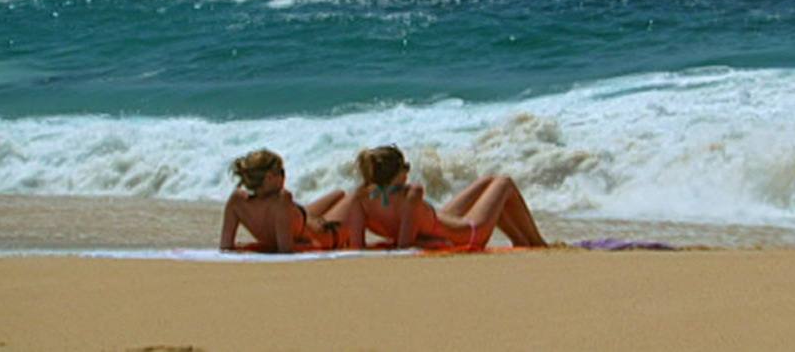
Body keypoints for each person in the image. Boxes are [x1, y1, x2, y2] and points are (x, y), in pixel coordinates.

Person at [347, 145, 548, 250]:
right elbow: (405, 245)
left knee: (487, 181)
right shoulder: (411, 195)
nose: (408, 172)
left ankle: (521, 240)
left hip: (441, 222)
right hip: (468, 235)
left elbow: (357, 246)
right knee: (504, 182)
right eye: (405, 167)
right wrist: (426, 245)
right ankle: (537, 243)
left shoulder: (360, 198)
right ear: (398, 174)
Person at [219, 148, 356, 253]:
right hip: (327, 234)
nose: (285, 176)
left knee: (339, 193)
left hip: (305, 219)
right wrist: (263, 248)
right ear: (270, 178)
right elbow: (286, 250)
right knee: (355, 198)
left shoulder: (236, 201)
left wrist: (257, 247)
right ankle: (349, 239)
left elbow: (226, 246)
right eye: (282, 172)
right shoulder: (282, 200)